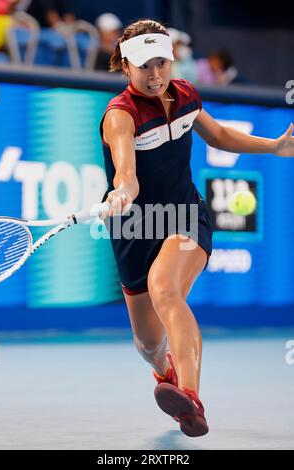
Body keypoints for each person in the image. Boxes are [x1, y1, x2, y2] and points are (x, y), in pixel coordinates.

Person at [99, 18, 294, 437]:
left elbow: (219, 134)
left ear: (171, 62)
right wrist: (121, 192)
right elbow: (126, 172)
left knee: (165, 288)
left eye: (161, 64)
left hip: (183, 215)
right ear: (126, 67)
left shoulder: (185, 94)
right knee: (148, 346)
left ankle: (190, 397)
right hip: (135, 227)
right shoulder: (121, 115)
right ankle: (165, 371)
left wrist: (275, 146)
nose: (154, 75)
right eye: (143, 66)